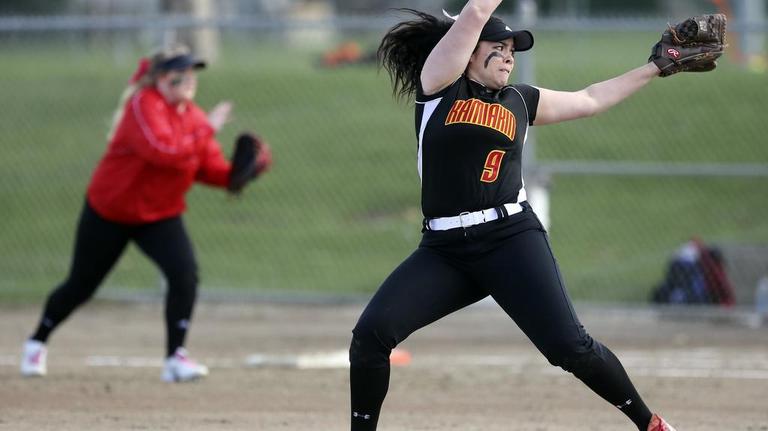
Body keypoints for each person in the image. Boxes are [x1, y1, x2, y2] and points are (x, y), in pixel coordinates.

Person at [349, 3, 685, 430]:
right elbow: (474, 13)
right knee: (371, 336)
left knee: (570, 347)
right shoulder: (439, 87)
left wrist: (655, 67)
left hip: (510, 237)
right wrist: (476, 20)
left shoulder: (520, 100)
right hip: (445, 251)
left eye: (513, 49)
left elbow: (590, 99)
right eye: (499, 46)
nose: (509, 55)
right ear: (469, 49)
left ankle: (650, 424)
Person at [20, 44, 272, 382]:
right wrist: (208, 128)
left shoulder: (192, 117)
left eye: (192, 72)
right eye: (180, 73)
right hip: (111, 210)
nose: (189, 80)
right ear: (161, 79)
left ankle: (175, 359)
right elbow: (164, 151)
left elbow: (203, 165)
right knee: (81, 285)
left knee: (185, 275)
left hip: (159, 214)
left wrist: (236, 176)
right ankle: (37, 342)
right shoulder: (143, 105)